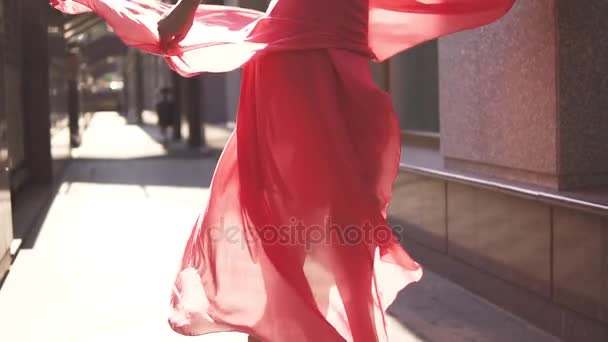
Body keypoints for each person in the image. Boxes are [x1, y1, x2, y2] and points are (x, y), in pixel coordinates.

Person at [51, 0, 515, 341]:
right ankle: (282, 327)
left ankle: (297, 328)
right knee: (300, 214)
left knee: (345, 211)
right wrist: (183, 12)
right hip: (297, 54)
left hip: (340, 48)